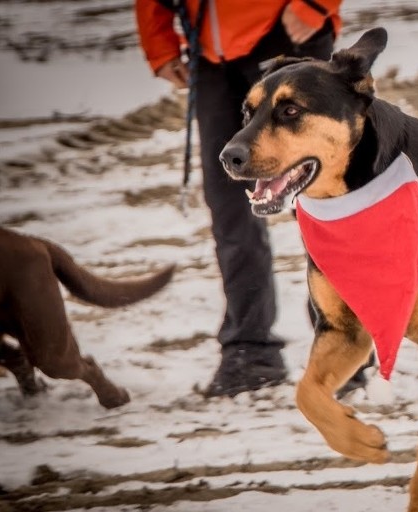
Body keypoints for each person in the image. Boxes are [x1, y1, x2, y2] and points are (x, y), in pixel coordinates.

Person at [135, 0, 343, 398]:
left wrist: (315, 4)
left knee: (321, 191)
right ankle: (250, 349)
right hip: (208, 52)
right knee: (229, 201)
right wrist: (160, 43)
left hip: (285, 28)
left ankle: (342, 342)